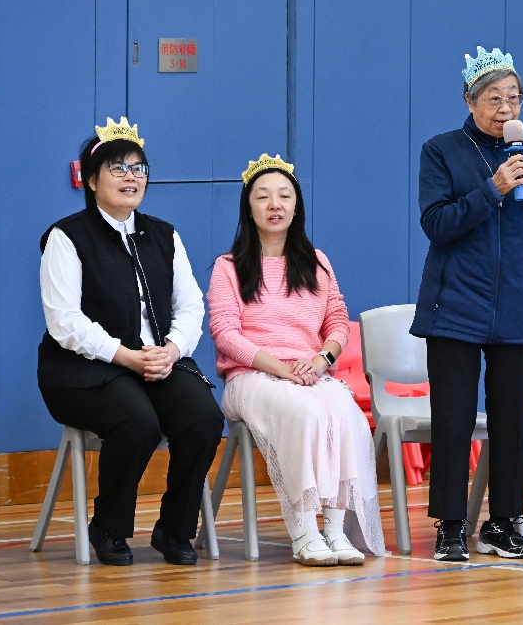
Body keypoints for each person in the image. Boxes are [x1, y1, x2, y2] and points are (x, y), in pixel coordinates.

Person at [411, 46, 523, 561]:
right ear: (470, 102)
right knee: (453, 418)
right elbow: (437, 223)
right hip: (455, 305)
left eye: (514, 97)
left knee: (512, 419)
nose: (505, 107)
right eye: (493, 98)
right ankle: (451, 524)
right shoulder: (441, 150)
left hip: (517, 304)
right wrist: (492, 188)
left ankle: (504, 522)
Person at [38, 117, 224, 566]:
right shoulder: (66, 236)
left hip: (157, 361)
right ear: (91, 180)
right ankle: (109, 527)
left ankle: (175, 530)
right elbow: (64, 321)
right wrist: (124, 356)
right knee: (137, 421)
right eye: (118, 168)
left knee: (203, 418)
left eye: (138, 168)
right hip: (84, 370)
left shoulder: (164, 234)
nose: (131, 177)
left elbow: (191, 305)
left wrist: (172, 350)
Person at [208, 154, 385, 567]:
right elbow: (225, 333)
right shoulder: (228, 267)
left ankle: (335, 530)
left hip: (309, 373)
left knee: (346, 413)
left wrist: (321, 361)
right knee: (305, 413)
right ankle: (304, 531)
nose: (275, 204)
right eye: (263, 196)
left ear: (296, 205)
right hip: (252, 377)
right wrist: (281, 369)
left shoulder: (317, 262)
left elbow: (337, 320)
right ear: (248, 207)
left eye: (284, 195)